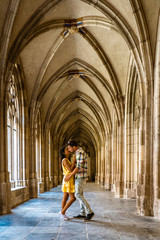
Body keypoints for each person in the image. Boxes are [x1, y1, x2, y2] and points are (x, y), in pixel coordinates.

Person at [64, 140, 94, 221]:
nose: (69, 150)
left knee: (77, 194)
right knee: (80, 194)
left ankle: (89, 212)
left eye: (69, 148)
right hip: (79, 176)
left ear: (73, 147)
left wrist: (70, 176)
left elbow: (79, 167)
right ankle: (83, 213)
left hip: (81, 176)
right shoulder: (77, 153)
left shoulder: (80, 152)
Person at [59, 146, 76, 221]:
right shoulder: (65, 160)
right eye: (67, 150)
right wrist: (74, 161)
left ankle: (63, 215)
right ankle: (62, 212)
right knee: (73, 198)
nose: (69, 150)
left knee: (65, 198)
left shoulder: (66, 160)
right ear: (63, 152)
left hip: (67, 179)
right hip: (68, 180)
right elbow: (71, 169)